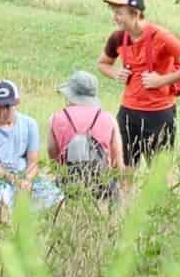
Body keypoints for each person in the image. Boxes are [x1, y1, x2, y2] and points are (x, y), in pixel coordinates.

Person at [98, 0, 180, 166]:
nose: (114, 17)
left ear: (136, 13)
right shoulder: (117, 38)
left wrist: (162, 80)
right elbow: (102, 64)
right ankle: (126, 195)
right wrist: (115, 72)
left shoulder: (161, 37)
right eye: (114, 12)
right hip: (128, 113)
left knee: (159, 176)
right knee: (123, 170)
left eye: (119, 13)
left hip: (159, 114)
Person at [0, 80, 60, 217]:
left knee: (55, 197)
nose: (4, 111)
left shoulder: (29, 124)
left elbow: (33, 161)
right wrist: (13, 180)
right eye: (0, 107)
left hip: (24, 174)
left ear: (16, 103)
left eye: (8, 106)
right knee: (0, 201)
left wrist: (26, 180)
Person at [49, 70, 126, 198]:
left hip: (68, 185)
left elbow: (53, 155)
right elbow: (117, 164)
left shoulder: (56, 118)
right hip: (102, 185)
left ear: (70, 95)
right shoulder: (108, 118)